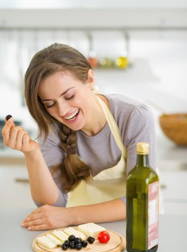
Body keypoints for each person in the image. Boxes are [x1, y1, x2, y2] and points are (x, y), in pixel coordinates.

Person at [2, 43, 157, 231]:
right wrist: (32, 154)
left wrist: (69, 216)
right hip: (82, 232)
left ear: (90, 79)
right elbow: (51, 206)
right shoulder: (51, 131)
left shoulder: (134, 116)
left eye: (69, 96)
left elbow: (140, 199)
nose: (62, 111)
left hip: (135, 228)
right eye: (50, 104)